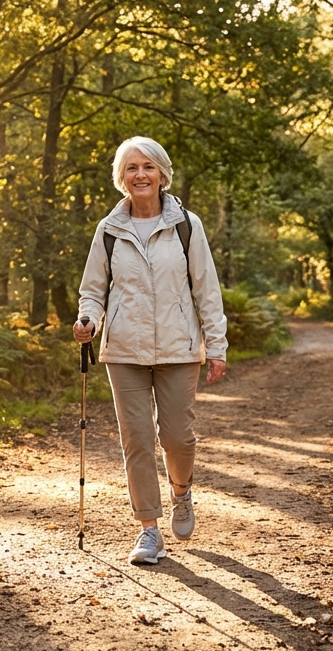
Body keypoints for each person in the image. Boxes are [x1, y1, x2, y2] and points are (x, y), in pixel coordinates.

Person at [74, 136, 228, 565]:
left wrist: (216, 345)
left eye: (147, 167)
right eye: (131, 168)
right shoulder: (108, 230)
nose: (140, 175)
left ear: (162, 174)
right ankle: (149, 530)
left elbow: (206, 289)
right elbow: (93, 291)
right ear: (121, 179)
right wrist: (89, 319)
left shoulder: (186, 225)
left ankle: (182, 491)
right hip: (124, 349)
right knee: (136, 439)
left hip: (179, 348)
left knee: (177, 437)